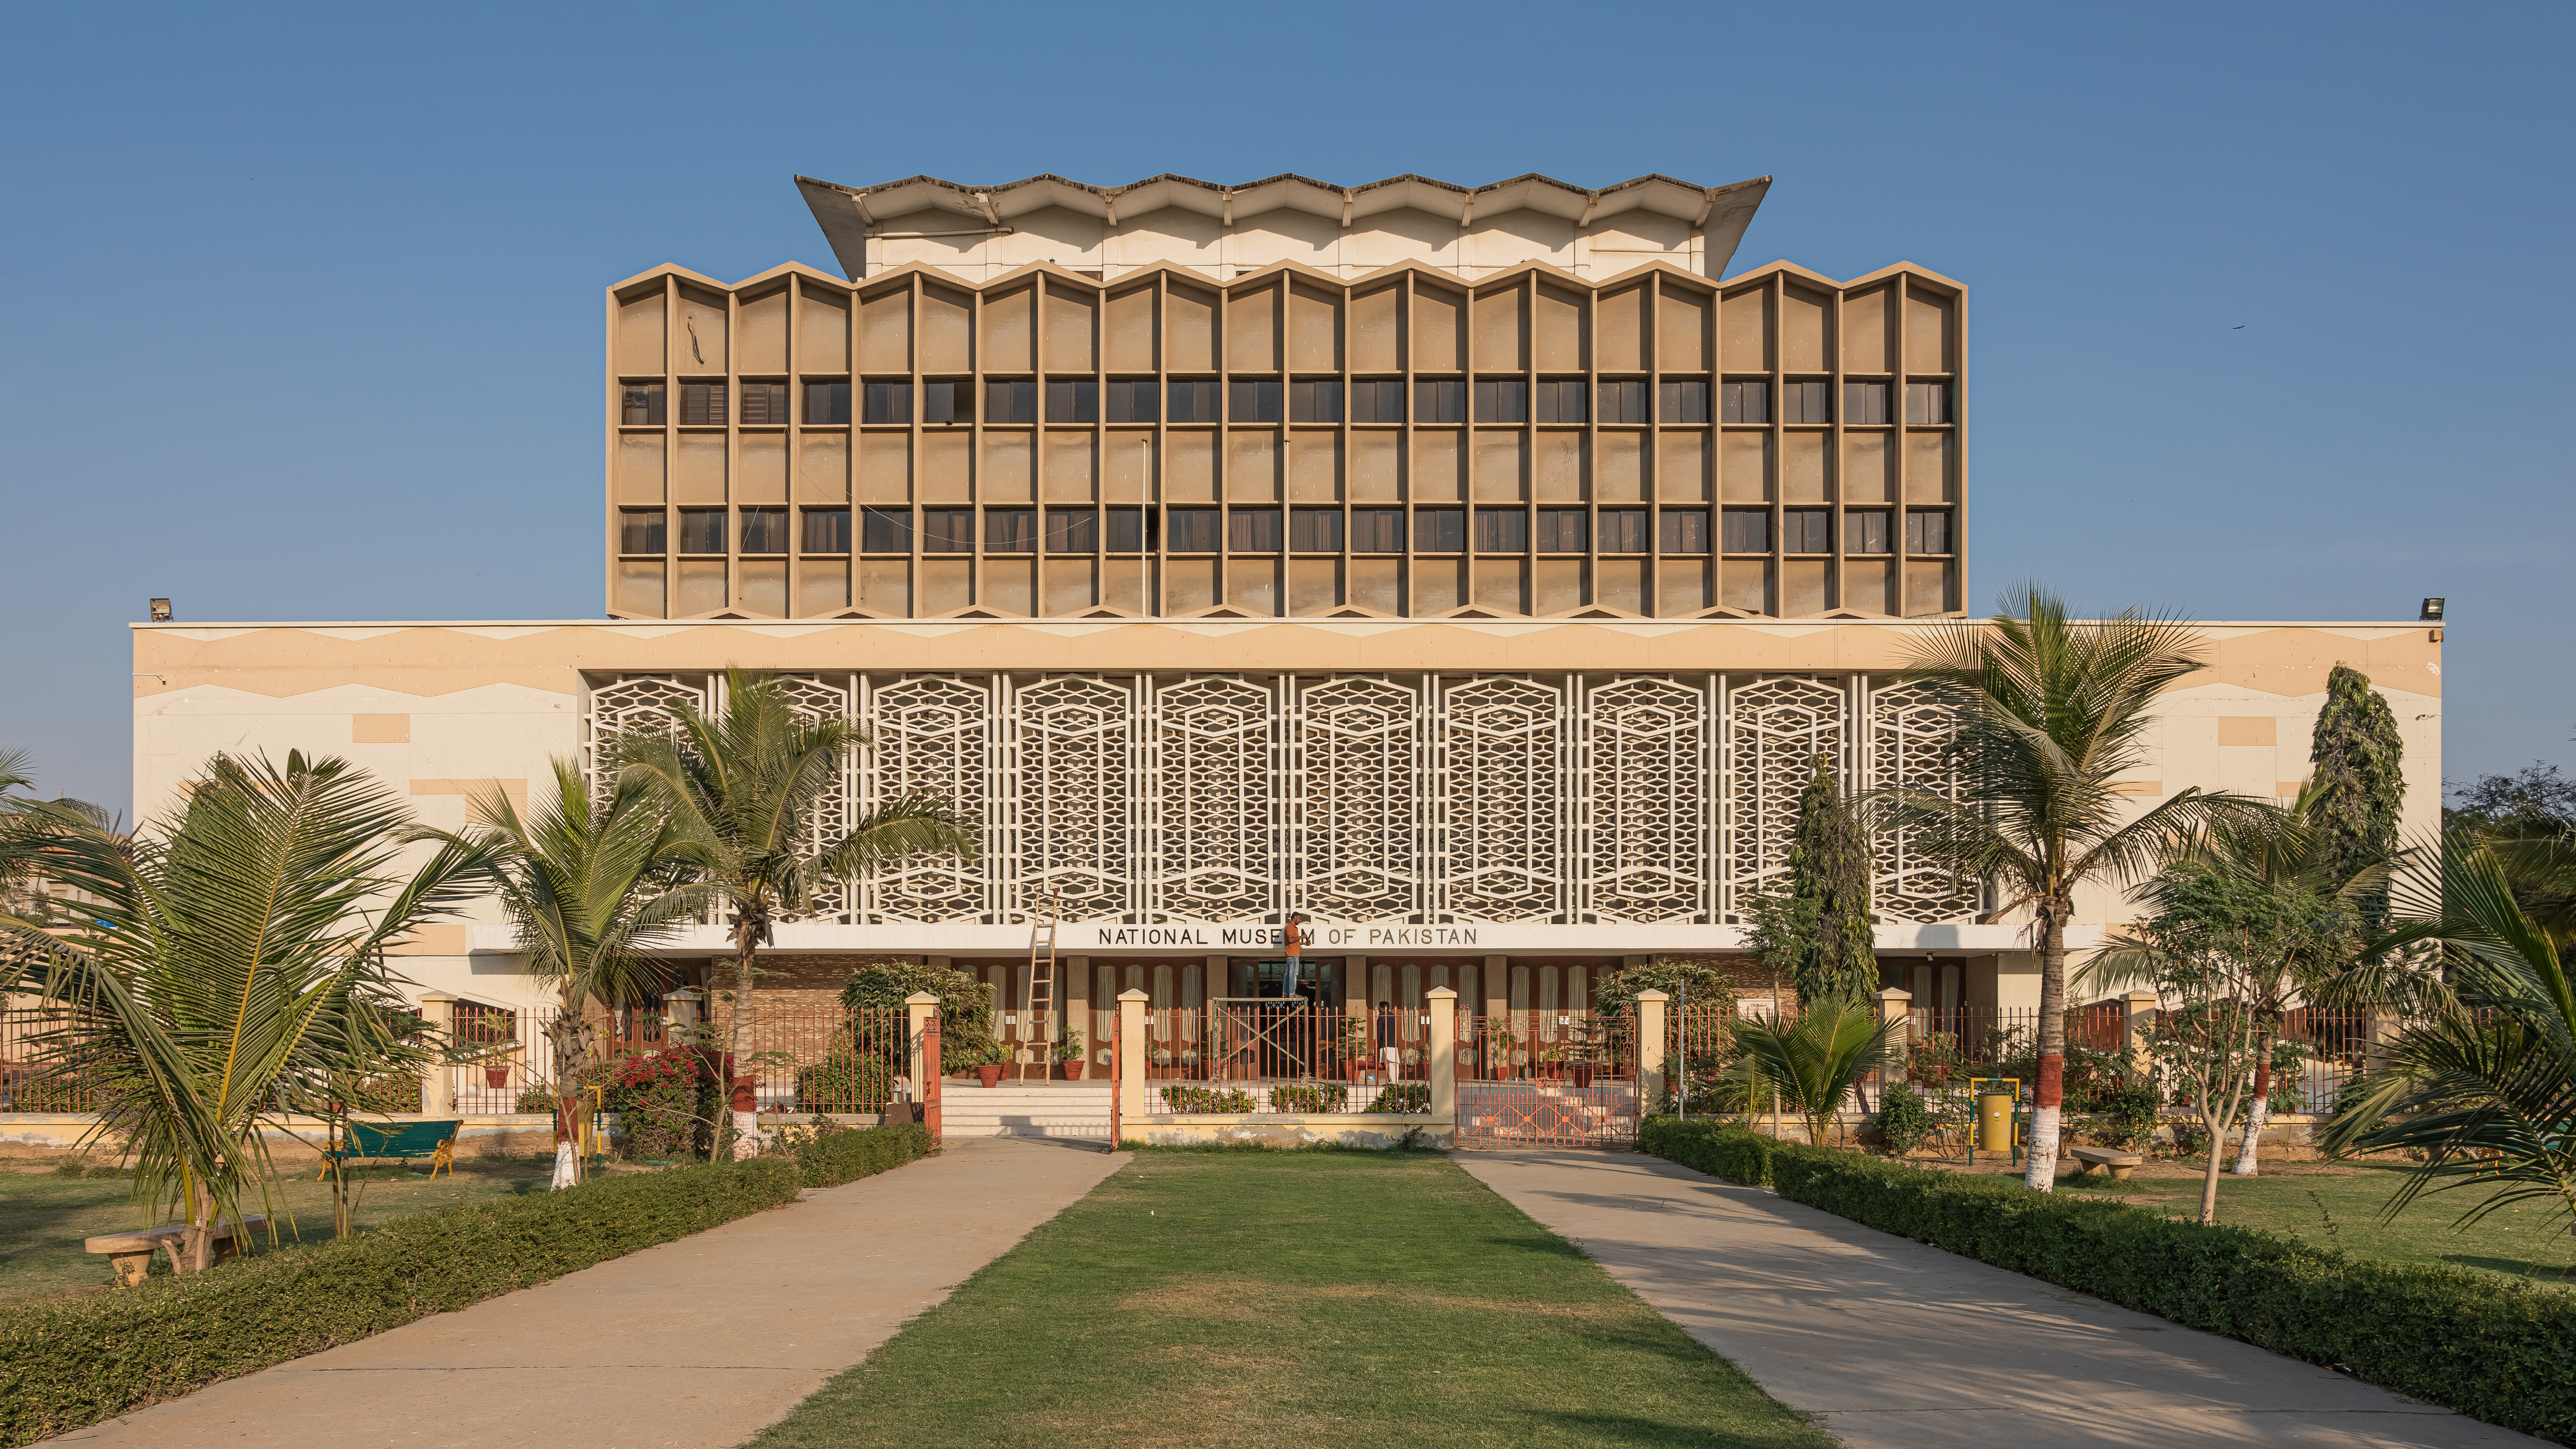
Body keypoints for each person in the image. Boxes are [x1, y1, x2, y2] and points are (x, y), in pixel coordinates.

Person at [1376, 999, 1401, 1085]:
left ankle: (1392, 1082)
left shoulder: (1382, 1015)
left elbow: (1379, 1029)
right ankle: (1395, 1081)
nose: (1379, 1009)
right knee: (1395, 1063)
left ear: (1383, 1008)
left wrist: (1377, 1041)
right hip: (1394, 1042)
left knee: (1389, 1062)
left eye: (1380, 1007)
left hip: (1386, 1042)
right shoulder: (1393, 1016)